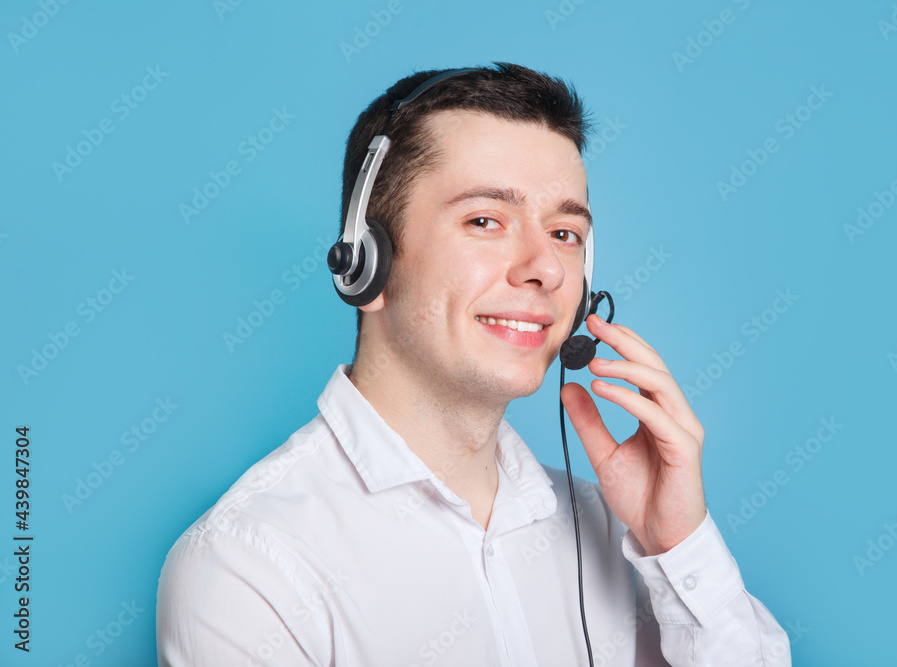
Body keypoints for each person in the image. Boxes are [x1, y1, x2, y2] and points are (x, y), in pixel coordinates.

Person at [156, 62, 791, 666]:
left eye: (565, 234)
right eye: (486, 220)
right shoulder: (251, 564)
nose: (545, 268)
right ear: (365, 262)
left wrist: (678, 546)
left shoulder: (614, 529)